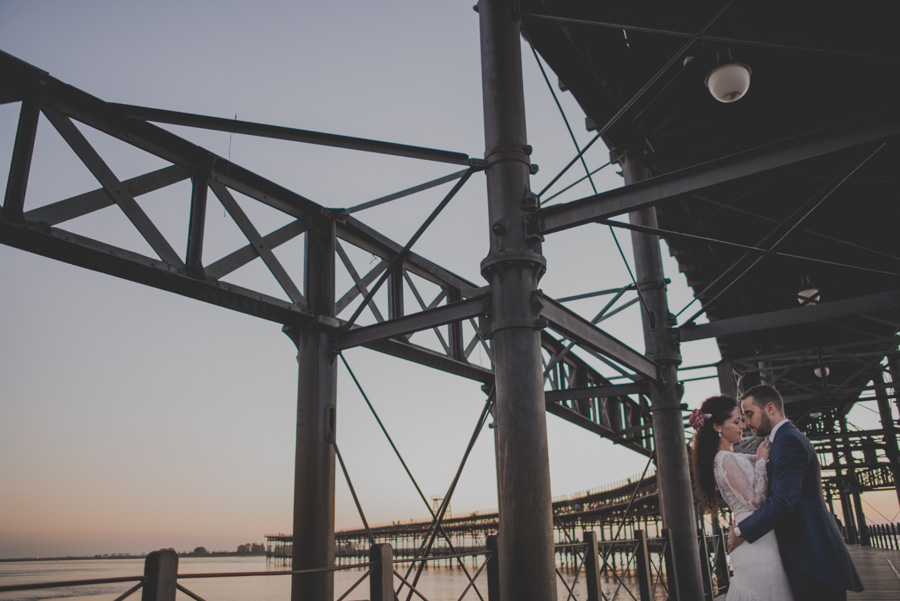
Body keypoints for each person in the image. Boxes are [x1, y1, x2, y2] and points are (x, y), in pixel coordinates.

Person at [729, 384, 863, 600]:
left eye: (749, 414)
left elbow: (783, 501)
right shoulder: (782, 441)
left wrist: (741, 531)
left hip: (812, 557)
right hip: (808, 553)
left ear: (770, 408)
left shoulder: (788, 441)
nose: (746, 423)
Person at [689, 394, 794, 600]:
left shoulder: (733, 457)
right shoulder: (724, 459)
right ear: (718, 427)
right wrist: (763, 460)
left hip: (758, 534)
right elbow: (756, 501)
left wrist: (767, 451)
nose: (743, 426)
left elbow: (760, 460)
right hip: (754, 539)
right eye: (736, 422)